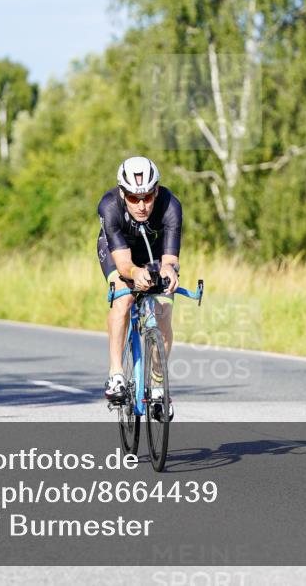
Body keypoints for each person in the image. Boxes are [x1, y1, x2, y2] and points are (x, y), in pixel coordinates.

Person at [96, 156, 182, 417]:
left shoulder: (170, 205)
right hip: (119, 252)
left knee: (164, 307)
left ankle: (157, 384)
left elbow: (170, 259)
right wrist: (134, 273)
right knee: (123, 299)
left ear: (156, 191)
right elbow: (123, 263)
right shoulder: (109, 206)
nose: (142, 205)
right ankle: (116, 375)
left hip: (154, 253)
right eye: (134, 198)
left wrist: (168, 271)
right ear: (123, 194)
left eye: (147, 196)